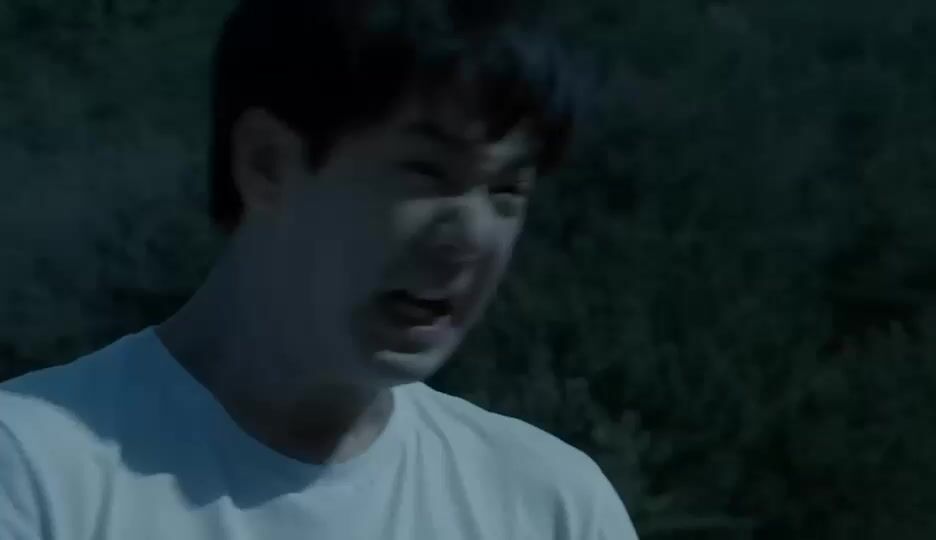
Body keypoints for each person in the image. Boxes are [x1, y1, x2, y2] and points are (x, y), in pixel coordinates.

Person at [0, 0, 639, 538]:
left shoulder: (551, 506)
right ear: (266, 163)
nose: (471, 237)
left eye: (507, 190)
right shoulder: (34, 474)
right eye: (425, 173)